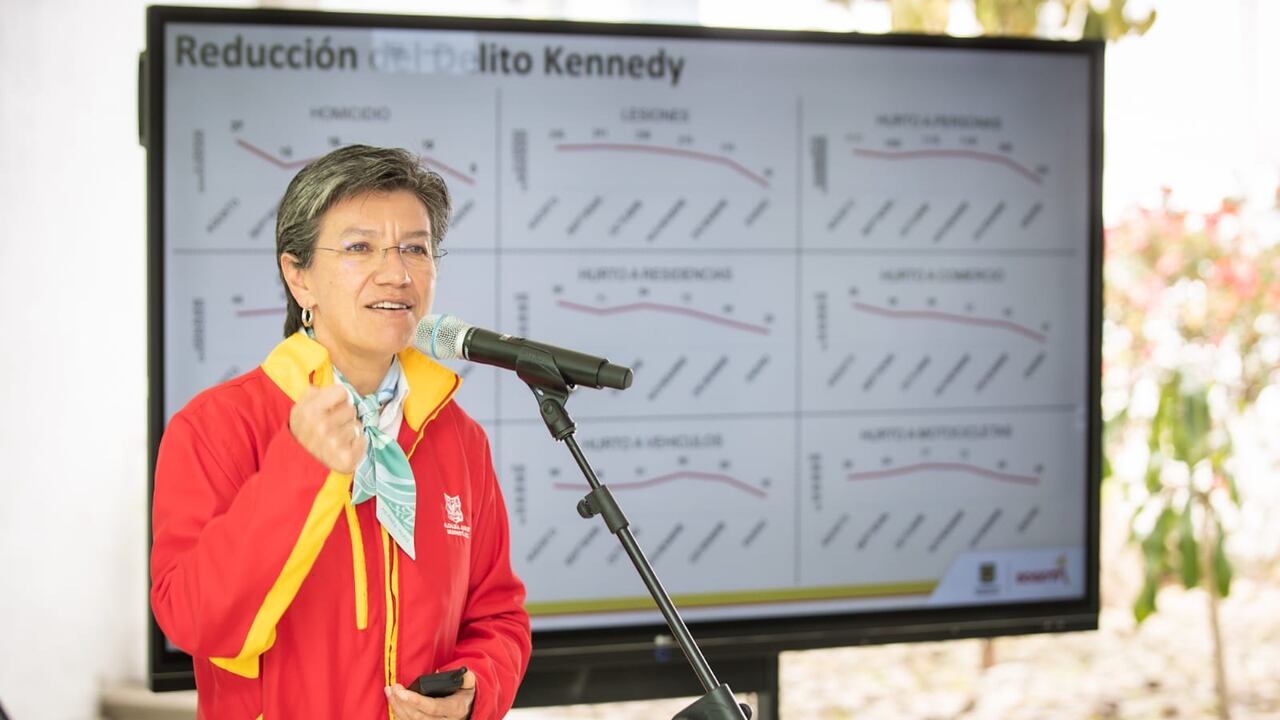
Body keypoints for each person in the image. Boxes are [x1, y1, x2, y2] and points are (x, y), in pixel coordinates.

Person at [151, 145, 531, 719]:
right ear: (297, 276)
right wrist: (301, 469)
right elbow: (194, 619)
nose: (397, 272)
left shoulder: (458, 436)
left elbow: (497, 615)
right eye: (359, 248)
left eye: (415, 248)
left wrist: (477, 687)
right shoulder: (216, 425)